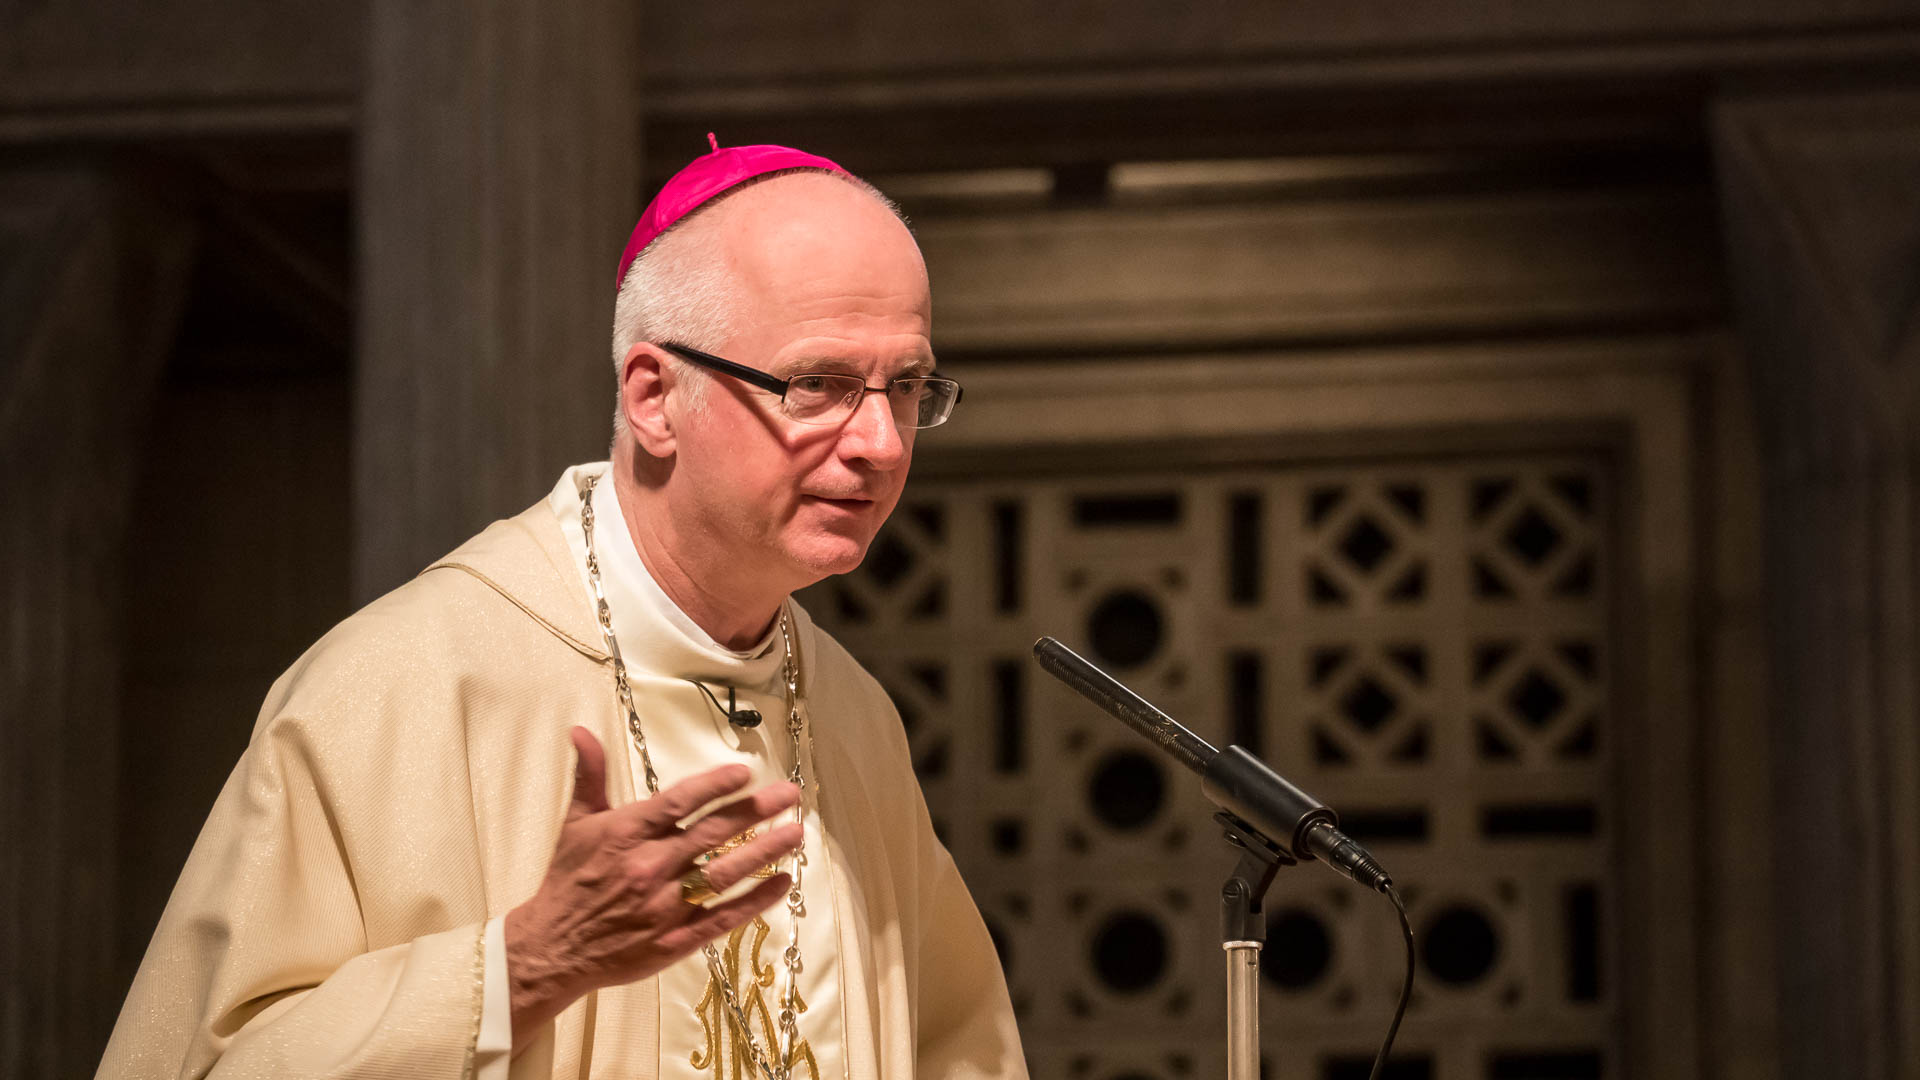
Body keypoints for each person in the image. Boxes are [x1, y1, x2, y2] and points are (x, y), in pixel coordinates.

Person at [96, 141, 1027, 1080]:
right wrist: (526, 965)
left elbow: (960, 1049)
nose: (879, 442)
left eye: (905, 387)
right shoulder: (403, 685)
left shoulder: (852, 713)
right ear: (656, 398)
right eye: (817, 384)